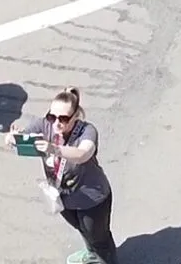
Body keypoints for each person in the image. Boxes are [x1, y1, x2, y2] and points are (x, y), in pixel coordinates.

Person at [32, 88, 118, 263]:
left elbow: (82, 154)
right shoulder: (45, 125)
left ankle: (105, 259)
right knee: (82, 229)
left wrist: (54, 149)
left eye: (63, 119)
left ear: (75, 116)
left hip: (92, 200)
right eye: (52, 116)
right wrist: (12, 138)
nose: (56, 123)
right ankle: (91, 254)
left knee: (99, 240)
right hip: (63, 197)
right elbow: (23, 137)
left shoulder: (87, 131)